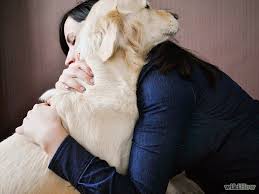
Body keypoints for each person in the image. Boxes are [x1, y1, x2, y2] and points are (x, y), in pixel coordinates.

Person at [16, 1, 259, 193]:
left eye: (75, 41)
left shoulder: (163, 84)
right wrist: (62, 97)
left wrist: (56, 142)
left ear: (108, 33)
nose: (69, 59)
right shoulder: (128, 89)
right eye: (67, 48)